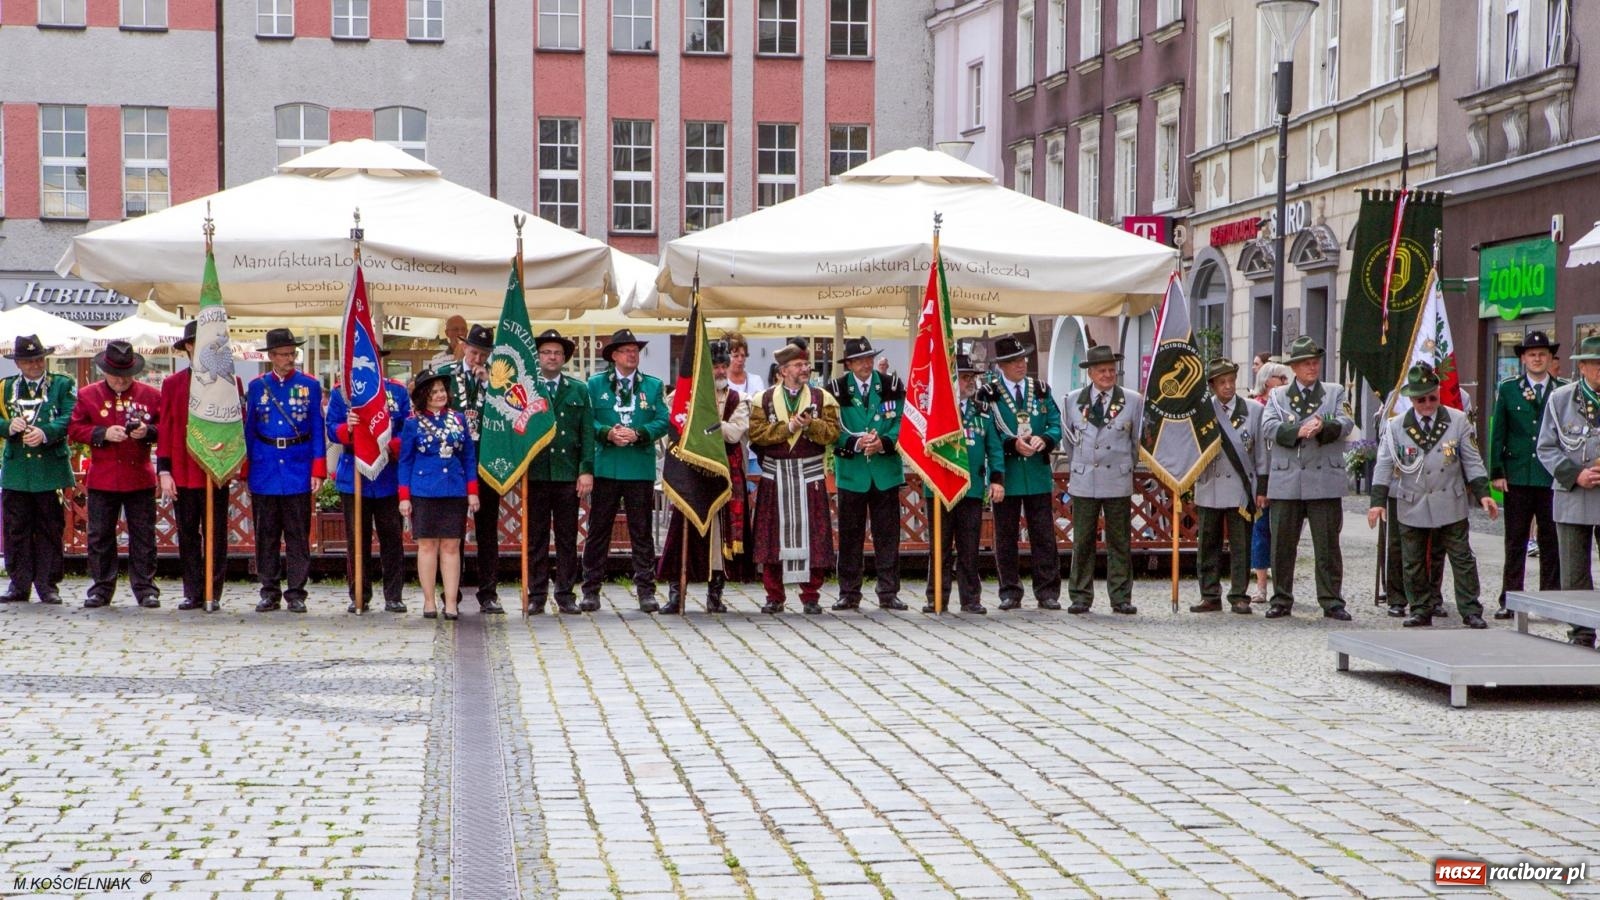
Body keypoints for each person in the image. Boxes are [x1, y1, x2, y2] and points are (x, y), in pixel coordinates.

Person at [1369, 362, 1499, 627]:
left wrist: (1483, 494)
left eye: (1432, 397)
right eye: (1420, 399)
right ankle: (1420, 607)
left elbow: (1471, 460)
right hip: (1412, 499)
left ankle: (1470, 609)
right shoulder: (1396, 426)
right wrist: (1377, 502)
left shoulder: (1457, 420)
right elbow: (1384, 463)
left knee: (1462, 558)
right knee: (1413, 561)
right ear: (1411, 399)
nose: (1427, 403)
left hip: (1449, 498)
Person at [1260, 335, 1355, 620]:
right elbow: (1268, 426)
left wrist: (1324, 425)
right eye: (1306, 364)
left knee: (1327, 544)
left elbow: (1347, 421)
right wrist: (1297, 432)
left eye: (1315, 363)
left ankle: (1331, 600)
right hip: (1287, 479)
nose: (1312, 368)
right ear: (1295, 368)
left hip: (1323, 478)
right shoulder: (1278, 396)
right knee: (1282, 545)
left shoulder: (1334, 391)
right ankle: (1281, 598)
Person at [747, 342, 842, 613]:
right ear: (783, 370)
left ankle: (811, 595)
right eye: (799, 365)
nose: (806, 369)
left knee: (814, 536)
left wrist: (811, 425)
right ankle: (774, 595)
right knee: (771, 536)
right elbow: (756, 435)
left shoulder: (822, 398)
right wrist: (789, 427)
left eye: (806, 364)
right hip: (775, 476)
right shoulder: (762, 400)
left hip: (809, 476)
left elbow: (833, 434)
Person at [582, 328, 670, 613]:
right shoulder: (595, 385)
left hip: (639, 466)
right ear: (615, 356)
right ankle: (590, 590)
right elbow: (587, 421)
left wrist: (640, 433)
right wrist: (607, 432)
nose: (633, 355)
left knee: (642, 531)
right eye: (627, 350)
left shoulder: (653, 385)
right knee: (598, 530)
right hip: (606, 465)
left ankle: (646, 590)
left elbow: (663, 420)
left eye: (636, 350)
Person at [658, 340, 750, 614]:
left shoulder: (739, 400)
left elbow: (734, 433)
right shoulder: (680, 397)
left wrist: (706, 425)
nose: (720, 371)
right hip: (690, 474)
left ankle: (715, 594)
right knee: (680, 535)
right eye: (715, 367)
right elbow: (670, 432)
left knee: (720, 537)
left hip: (723, 476)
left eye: (723, 365)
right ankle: (677, 593)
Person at [69, 340, 160, 609]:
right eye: (115, 376)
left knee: (143, 535)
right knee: (100, 535)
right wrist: (102, 434)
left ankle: (145, 588)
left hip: (139, 476)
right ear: (104, 371)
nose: (120, 381)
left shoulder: (151, 395)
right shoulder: (88, 395)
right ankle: (101, 587)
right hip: (104, 476)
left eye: (125, 376)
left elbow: (165, 427)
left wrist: (148, 432)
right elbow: (75, 428)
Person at [158, 321, 241, 611]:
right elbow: (166, 428)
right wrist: (164, 470)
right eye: (197, 343)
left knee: (217, 533)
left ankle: (212, 591)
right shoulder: (172, 384)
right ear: (189, 347)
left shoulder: (229, 381)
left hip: (215, 470)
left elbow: (235, 427)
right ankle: (192, 590)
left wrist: (233, 465)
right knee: (188, 533)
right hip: (183, 471)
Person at [244, 328, 325, 614]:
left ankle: (296, 592)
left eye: (293, 353)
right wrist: (246, 470)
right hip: (265, 466)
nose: (290, 359)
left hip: (297, 465)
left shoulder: (309, 385)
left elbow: (317, 428)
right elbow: (249, 430)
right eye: (285, 354)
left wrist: (318, 469)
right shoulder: (257, 386)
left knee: (297, 534)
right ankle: (269, 591)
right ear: (272, 357)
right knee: (265, 534)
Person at [1060, 344, 1145, 615]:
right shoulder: (1072, 400)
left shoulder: (1132, 400)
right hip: (1085, 479)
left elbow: (1136, 443)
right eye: (1102, 371)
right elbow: (1069, 442)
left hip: (1117, 477)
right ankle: (1080, 596)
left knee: (1119, 540)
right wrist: (1082, 467)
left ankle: (1121, 596)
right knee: (1082, 539)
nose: (1108, 375)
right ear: (1091, 373)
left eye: (1111, 370)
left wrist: (1124, 466)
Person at [827, 337, 908, 611]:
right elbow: (829, 429)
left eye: (869, 358)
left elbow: (902, 421)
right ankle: (848, 592)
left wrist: (884, 442)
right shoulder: (835, 389)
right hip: (852, 472)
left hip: (885, 471)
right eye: (860, 360)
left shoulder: (891, 385)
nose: (866, 363)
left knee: (888, 535)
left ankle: (888, 591)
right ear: (848, 364)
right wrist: (854, 443)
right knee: (850, 535)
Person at [326, 353, 411, 614]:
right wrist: (348, 429)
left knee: (391, 538)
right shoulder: (342, 393)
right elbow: (331, 428)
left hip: (387, 472)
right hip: (355, 475)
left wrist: (388, 444)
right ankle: (359, 593)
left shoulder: (396, 391)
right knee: (356, 540)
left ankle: (393, 595)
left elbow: (407, 428)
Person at [1489, 330, 1564, 619]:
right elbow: (1499, 433)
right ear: (1523, 358)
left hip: (1550, 476)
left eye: (1542, 354)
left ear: (1549, 358)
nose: (1537, 358)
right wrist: (1497, 471)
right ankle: (1510, 599)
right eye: (1532, 354)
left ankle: (1551, 600)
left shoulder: (1561, 390)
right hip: (1518, 475)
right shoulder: (1509, 389)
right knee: (1515, 540)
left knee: (1551, 541)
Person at [985, 335, 1063, 610]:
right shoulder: (989, 393)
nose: (1021, 364)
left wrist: (1046, 439)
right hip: (1008, 473)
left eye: (1023, 358)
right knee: (1005, 535)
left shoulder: (1040, 388)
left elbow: (1055, 422)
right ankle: (1009, 591)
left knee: (1043, 534)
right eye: (1015, 361)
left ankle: (1048, 591)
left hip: (1037, 473)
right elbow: (989, 431)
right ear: (1002, 366)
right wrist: (1011, 445)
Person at [923, 354, 1004, 614]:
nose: (971, 382)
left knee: (970, 546)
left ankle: (971, 598)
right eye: (965, 377)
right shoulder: (935, 410)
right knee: (940, 545)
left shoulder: (982, 410)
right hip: (940, 488)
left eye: (973, 377)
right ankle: (936, 597)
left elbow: (995, 448)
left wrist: (996, 479)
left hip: (970, 488)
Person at [0, 335, 76, 606]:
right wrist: (7, 427)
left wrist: (46, 433)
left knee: (50, 528)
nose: (34, 365)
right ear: (18, 362)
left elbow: (70, 416)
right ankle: (19, 584)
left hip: (49, 467)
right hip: (18, 469)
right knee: (16, 529)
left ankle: (48, 584)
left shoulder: (62, 384)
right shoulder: (5, 388)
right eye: (28, 361)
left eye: (38, 359)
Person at [1535, 334, 1600, 646]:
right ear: (1583, 367)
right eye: (1596, 364)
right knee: (1574, 573)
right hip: (1572, 495)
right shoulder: (1561, 399)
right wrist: (1577, 475)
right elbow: (1546, 448)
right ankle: (1582, 632)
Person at [399, 371, 479, 620]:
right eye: (433, 391)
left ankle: (452, 602)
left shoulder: (458, 419)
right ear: (424, 396)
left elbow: (468, 457)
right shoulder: (413, 423)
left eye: (442, 390)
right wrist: (404, 496)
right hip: (424, 489)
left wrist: (472, 491)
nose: (440, 395)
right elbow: (405, 461)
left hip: (453, 489)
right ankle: (429, 600)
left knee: (451, 545)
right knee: (427, 545)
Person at [525, 329, 594, 615]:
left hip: (567, 474)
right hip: (537, 473)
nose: (552, 357)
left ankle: (565, 593)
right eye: (546, 352)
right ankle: (537, 593)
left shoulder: (579, 389)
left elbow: (587, 432)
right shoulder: (527, 388)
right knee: (536, 537)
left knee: (567, 537)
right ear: (537, 357)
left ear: (564, 358)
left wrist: (586, 470)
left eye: (557, 353)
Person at [436, 324, 505, 614]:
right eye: (475, 352)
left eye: (484, 354)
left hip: (486, 461)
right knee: (452, 530)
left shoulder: (498, 380)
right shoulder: (447, 377)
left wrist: (489, 385)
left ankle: (488, 592)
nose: (478, 359)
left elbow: (507, 412)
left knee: (487, 530)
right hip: (453, 461)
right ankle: (451, 591)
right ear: (464, 348)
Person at [1191, 358, 1264, 615]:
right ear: (1212, 385)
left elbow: (1261, 455)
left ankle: (1239, 595)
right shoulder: (1201, 410)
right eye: (1222, 382)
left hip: (1240, 486)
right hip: (1209, 483)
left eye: (1231, 381)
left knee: (1241, 544)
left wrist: (1261, 488)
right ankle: (1209, 594)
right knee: (1208, 543)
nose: (1228, 387)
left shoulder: (1253, 410)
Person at [1248, 361, 1291, 602]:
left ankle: (1284, 587)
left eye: (1286, 379)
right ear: (1267, 382)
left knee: (1285, 533)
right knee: (1261, 530)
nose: (1285, 383)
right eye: (1281, 379)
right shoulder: (1256, 407)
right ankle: (1261, 585)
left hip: (1285, 475)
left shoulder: (1286, 406)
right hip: (1262, 477)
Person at [723, 331, 766, 397]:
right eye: (736, 356)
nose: (740, 359)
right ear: (726, 357)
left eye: (743, 355)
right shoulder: (721, 383)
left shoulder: (756, 381)